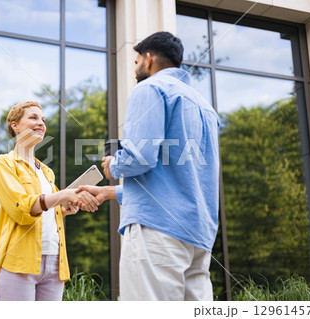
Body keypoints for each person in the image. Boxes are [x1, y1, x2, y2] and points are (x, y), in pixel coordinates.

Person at [78, 31, 220, 301]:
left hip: (157, 231)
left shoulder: (150, 88)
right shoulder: (206, 108)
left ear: (148, 58)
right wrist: (111, 193)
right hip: (198, 236)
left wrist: (114, 165)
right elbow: (186, 178)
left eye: (135, 62)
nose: (135, 68)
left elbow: (139, 157)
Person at [0, 101, 100, 301]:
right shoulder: (4, 163)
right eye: (33, 117)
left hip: (55, 262)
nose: (41, 123)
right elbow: (22, 209)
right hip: (20, 262)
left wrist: (66, 208)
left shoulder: (46, 171)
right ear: (15, 125)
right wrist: (64, 195)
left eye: (43, 119)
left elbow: (48, 208)